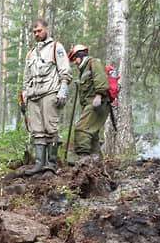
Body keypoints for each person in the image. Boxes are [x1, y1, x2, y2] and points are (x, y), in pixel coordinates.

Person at [21, 18, 72, 175]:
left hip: (50, 93)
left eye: (39, 30)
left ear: (46, 29)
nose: (37, 34)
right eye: (34, 32)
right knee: (37, 131)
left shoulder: (56, 47)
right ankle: (38, 164)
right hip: (33, 96)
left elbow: (65, 70)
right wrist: (24, 97)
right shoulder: (31, 53)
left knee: (51, 129)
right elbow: (26, 77)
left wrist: (63, 89)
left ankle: (51, 164)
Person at [67, 44, 110, 162]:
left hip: (98, 103)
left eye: (74, 59)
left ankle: (84, 160)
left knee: (82, 129)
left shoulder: (93, 63)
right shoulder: (84, 69)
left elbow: (100, 79)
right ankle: (97, 162)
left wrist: (98, 96)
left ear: (80, 56)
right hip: (90, 104)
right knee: (93, 135)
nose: (74, 63)